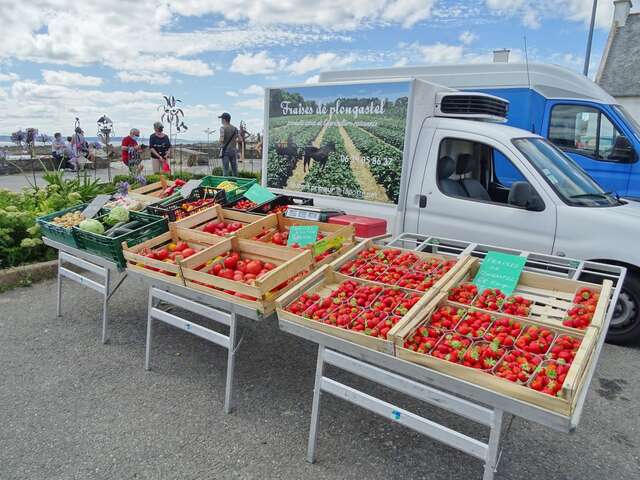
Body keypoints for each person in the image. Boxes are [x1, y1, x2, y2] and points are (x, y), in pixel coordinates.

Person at [218, 112, 238, 177]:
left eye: (221, 119)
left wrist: (220, 144)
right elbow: (239, 139)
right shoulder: (235, 129)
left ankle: (226, 185)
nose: (221, 120)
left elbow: (221, 140)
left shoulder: (222, 128)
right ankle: (235, 184)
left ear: (224, 120)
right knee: (234, 169)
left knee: (225, 170)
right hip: (234, 150)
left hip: (226, 151)